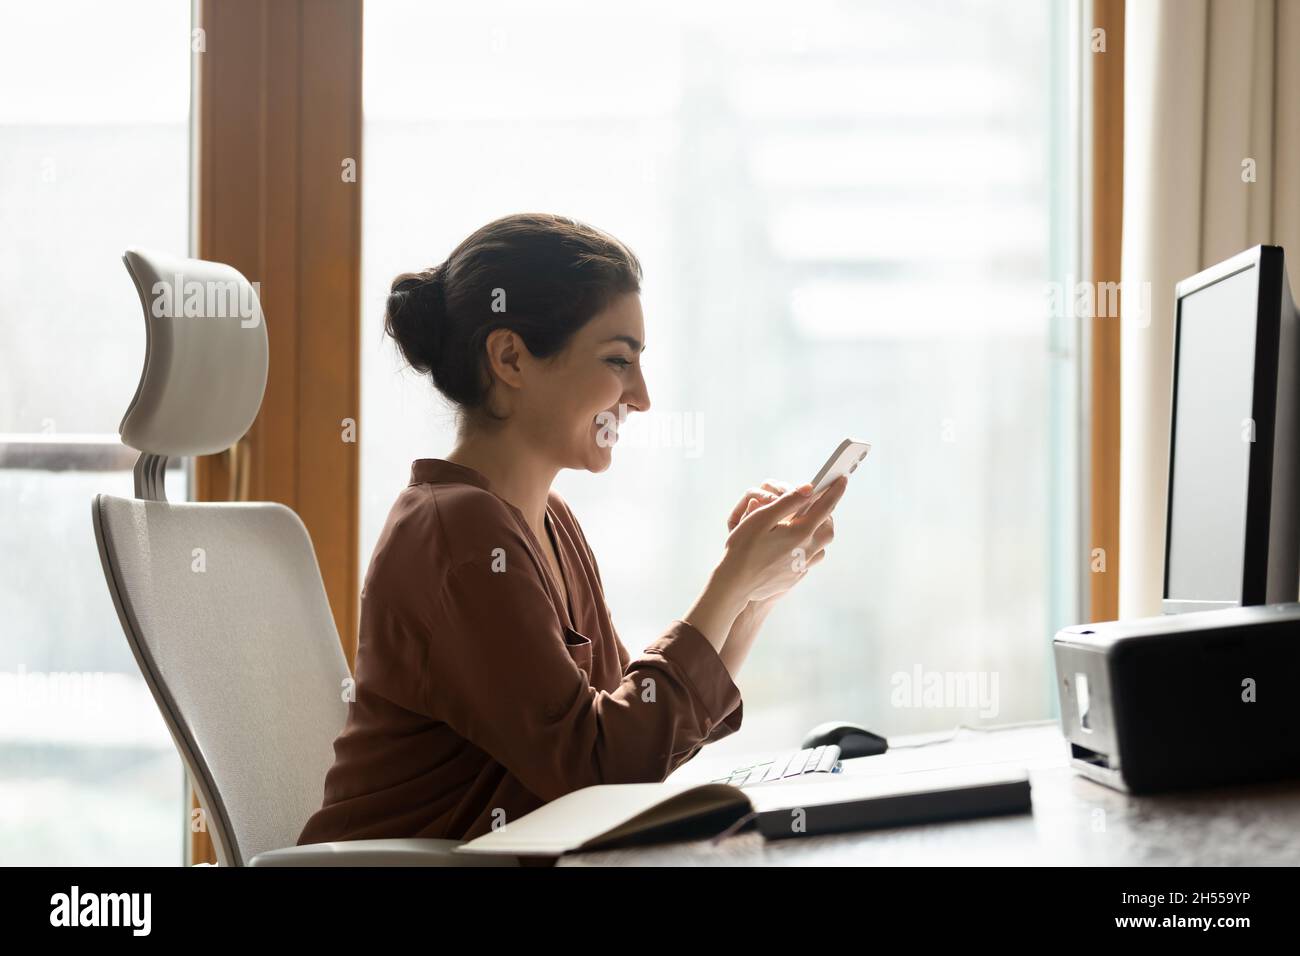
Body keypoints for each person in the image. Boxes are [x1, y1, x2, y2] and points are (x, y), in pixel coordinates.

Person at [297, 212, 844, 845]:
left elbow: (632, 740)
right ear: (510, 358)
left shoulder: (549, 520)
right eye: (618, 360)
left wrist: (751, 599)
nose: (640, 396)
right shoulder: (455, 532)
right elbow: (598, 766)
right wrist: (727, 584)